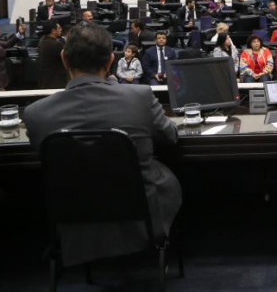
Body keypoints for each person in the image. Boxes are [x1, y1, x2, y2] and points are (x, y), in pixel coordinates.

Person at [23, 23, 181, 268]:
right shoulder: (140, 97)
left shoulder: (35, 114)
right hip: (143, 215)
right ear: (110, 60)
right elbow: (171, 136)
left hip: (74, 215)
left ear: (64, 59)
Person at [37, 20, 67, 89]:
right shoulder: (56, 45)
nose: (61, 30)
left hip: (44, 81)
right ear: (53, 30)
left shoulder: (42, 41)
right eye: (59, 28)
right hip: (55, 83)